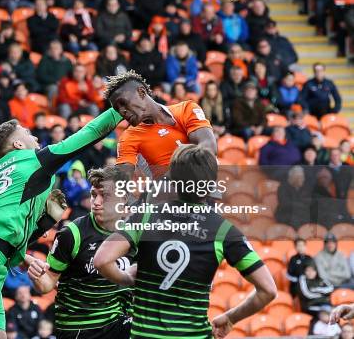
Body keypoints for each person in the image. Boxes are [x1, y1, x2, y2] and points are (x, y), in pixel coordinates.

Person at [0, 106, 122, 338]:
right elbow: (87, 134)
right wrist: (119, 110)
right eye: (26, 132)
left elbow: (4, 232)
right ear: (18, 146)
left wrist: (29, 249)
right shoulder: (32, 161)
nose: (33, 135)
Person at [94, 145, 277, 339]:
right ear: (211, 183)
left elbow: (102, 260)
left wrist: (127, 279)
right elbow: (268, 290)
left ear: (173, 180)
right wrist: (231, 318)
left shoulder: (145, 217)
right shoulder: (224, 231)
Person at [27, 166, 132, 338]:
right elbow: (47, 284)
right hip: (79, 327)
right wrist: (36, 274)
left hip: (117, 321)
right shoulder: (72, 234)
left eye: (104, 195)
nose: (96, 202)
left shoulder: (134, 233)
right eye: (93, 195)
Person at [105, 71, 216, 176]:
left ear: (142, 92)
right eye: (117, 109)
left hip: (201, 183)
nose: (121, 111)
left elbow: (208, 146)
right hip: (167, 192)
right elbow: (123, 175)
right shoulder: (128, 137)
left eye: (123, 103)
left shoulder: (187, 109)